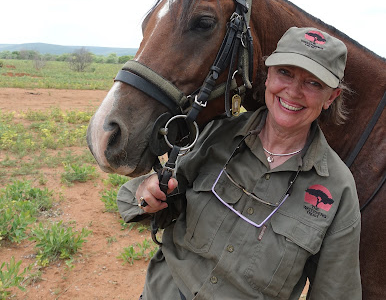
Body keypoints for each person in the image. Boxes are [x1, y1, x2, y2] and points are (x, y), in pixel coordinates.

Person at [117, 27, 362, 299]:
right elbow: (154, 202)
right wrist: (148, 193)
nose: (293, 91)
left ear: (331, 97)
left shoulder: (337, 189)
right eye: (285, 73)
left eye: (313, 83)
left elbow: (336, 292)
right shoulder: (215, 135)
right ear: (268, 76)